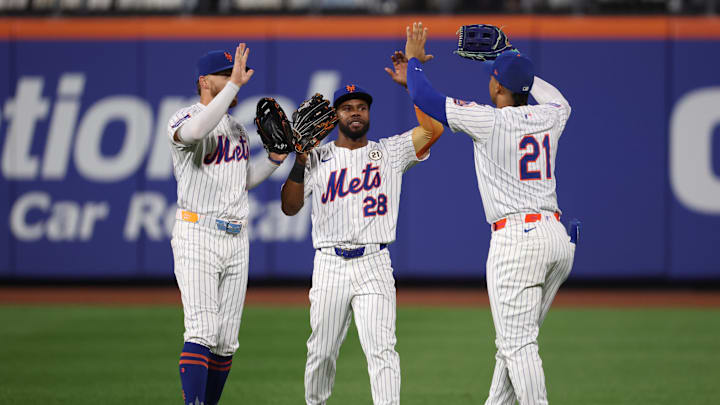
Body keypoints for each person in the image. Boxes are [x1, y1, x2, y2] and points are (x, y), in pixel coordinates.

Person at [404, 22, 576, 404]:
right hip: (556, 239)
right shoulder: (550, 116)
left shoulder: (490, 120)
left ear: (498, 87)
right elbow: (559, 98)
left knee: (517, 347)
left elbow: (425, 96)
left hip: (517, 243)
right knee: (513, 344)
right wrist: (510, 56)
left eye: (494, 77)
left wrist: (414, 61)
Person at [280, 53, 442, 405]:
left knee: (382, 350)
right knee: (321, 352)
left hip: (374, 262)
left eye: (361, 107)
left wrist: (411, 84)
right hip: (330, 264)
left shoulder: (391, 152)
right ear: (335, 116)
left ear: (369, 114)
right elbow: (290, 207)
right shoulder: (317, 157)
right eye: (347, 107)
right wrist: (299, 162)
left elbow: (433, 129)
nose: (355, 112)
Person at [167, 44, 288, 405]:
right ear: (204, 81)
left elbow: (242, 180)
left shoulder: (235, 127)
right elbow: (193, 134)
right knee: (202, 330)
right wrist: (233, 87)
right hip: (197, 232)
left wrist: (275, 161)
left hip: (236, 238)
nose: (236, 80)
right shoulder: (182, 117)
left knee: (225, 341)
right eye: (225, 75)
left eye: (234, 75)